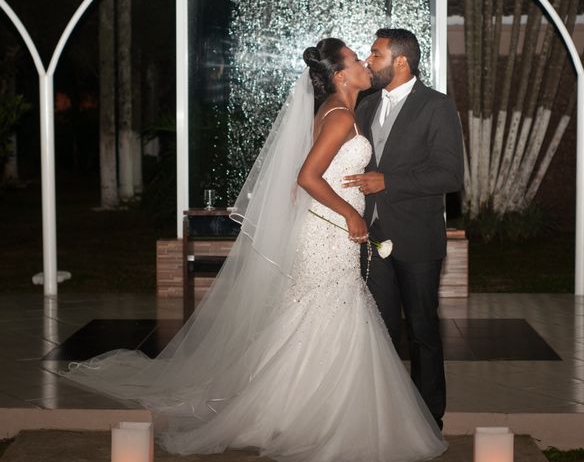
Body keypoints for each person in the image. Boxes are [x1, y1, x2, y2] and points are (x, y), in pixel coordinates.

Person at [62, 38, 447, 462]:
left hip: (330, 233)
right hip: (331, 232)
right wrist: (351, 216)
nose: (365, 64)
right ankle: (310, 413)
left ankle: (303, 408)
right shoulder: (340, 116)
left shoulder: (346, 111)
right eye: (358, 59)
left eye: (367, 57)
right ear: (340, 75)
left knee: (318, 317)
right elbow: (307, 176)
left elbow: (318, 176)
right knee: (326, 314)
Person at [343, 28, 464, 430]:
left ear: (400, 61)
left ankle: (429, 418)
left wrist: (388, 181)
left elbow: (449, 175)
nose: (368, 60)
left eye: (375, 55)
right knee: (380, 333)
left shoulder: (437, 106)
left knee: (423, 331)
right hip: (370, 238)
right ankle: (386, 415)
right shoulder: (365, 105)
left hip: (416, 238)